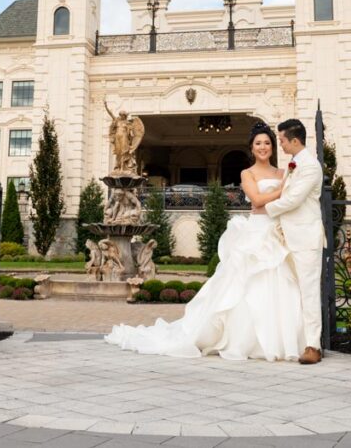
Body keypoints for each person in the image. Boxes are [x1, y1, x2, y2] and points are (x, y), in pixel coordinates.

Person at [104, 122, 305, 361]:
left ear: (273, 147)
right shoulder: (248, 173)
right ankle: (242, 340)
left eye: (267, 143)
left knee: (281, 285)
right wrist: (283, 189)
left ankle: (282, 340)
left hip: (277, 233)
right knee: (245, 287)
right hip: (256, 231)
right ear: (251, 148)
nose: (263, 147)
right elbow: (257, 199)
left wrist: (286, 185)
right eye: (258, 143)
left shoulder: (283, 173)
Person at [265, 118, 327, 364]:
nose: (279, 144)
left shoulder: (310, 166)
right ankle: (297, 339)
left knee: (309, 292)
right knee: (291, 291)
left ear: (294, 140)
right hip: (286, 236)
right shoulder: (294, 164)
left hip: (305, 238)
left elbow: (294, 200)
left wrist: (264, 207)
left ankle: (313, 345)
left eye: (281, 140)